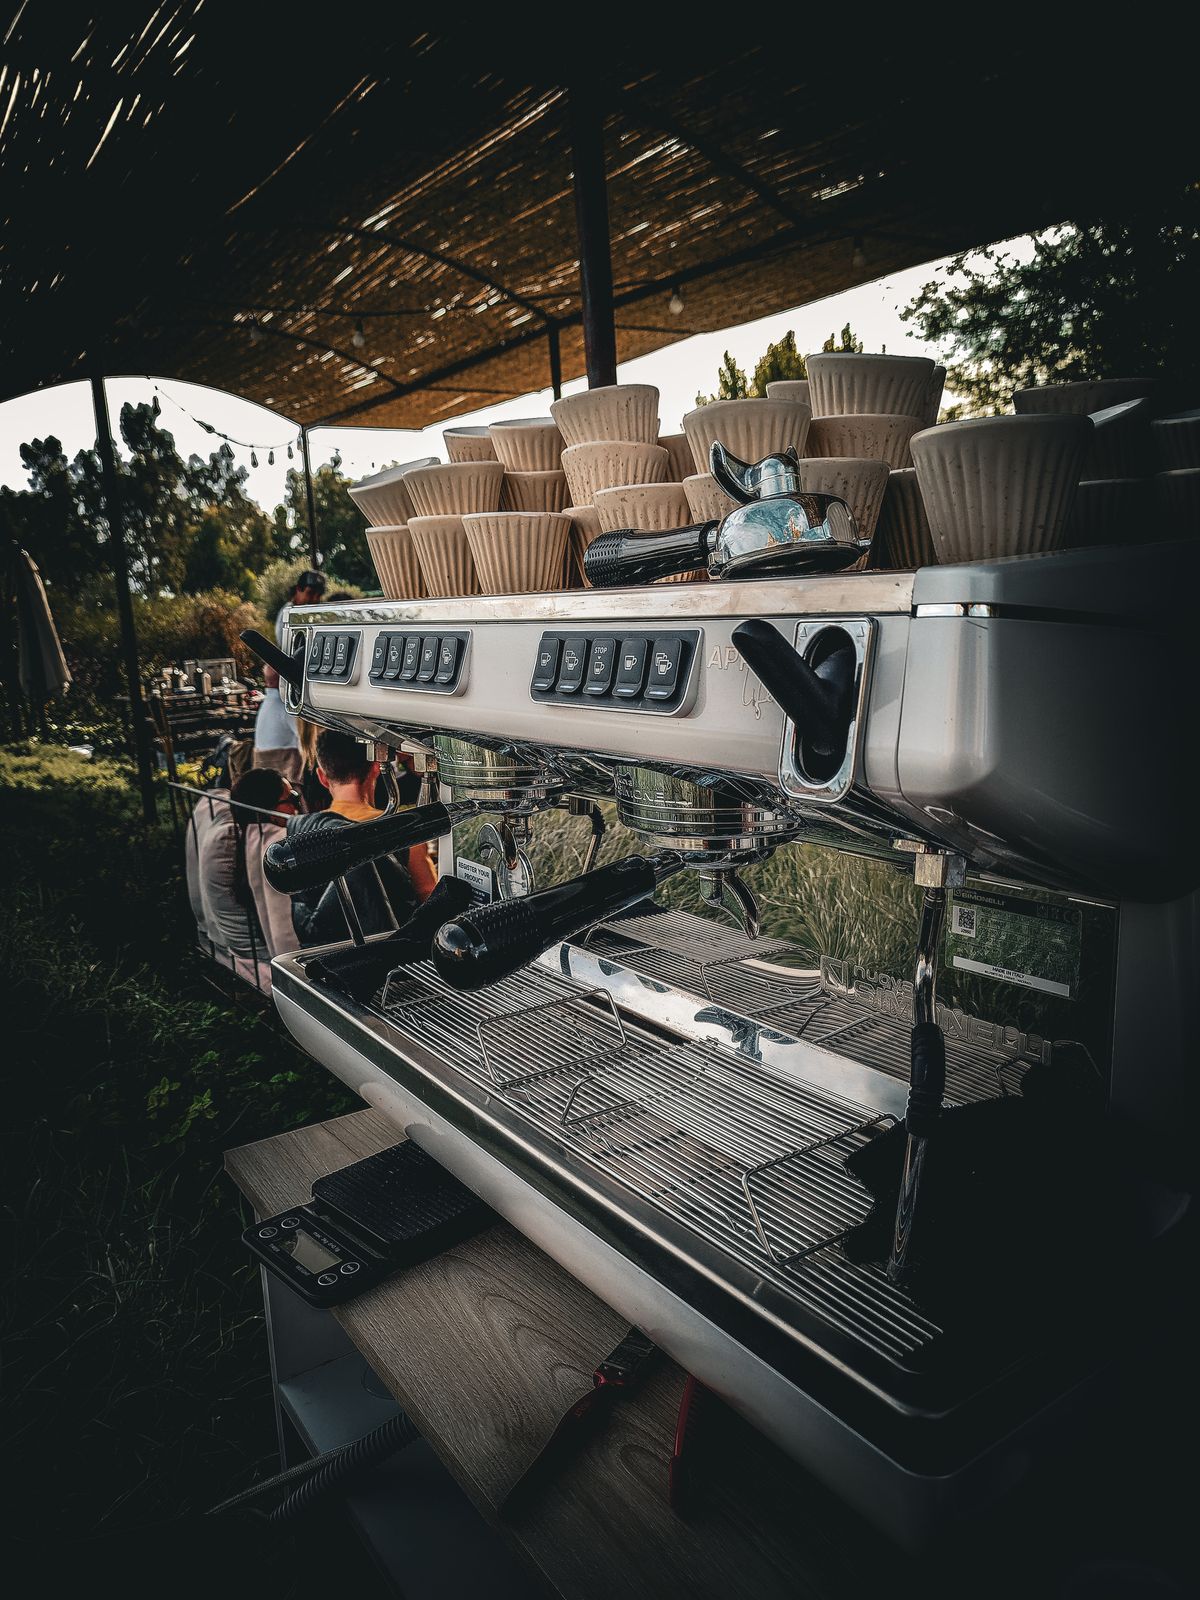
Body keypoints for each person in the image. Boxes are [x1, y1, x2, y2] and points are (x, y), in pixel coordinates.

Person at [286, 729, 437, 947]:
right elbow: (429, 896)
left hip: (324, 959)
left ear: (322, 777)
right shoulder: (404, 831)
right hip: (392, 959)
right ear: (376, 767)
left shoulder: (301, 832)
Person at [231, 768, 304, 959]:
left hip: (279, 954)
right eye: (293, 799)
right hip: (302, 953)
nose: (298, 806)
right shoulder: (282, 844)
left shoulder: (251, 839)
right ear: (270, 811)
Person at [252, 662, 301, 782]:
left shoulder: (268, 703)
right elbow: (305, 739)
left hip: (263, 772)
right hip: (285, 775)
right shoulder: (284, 706)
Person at [274, 567, 326, 648]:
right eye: (311, 593)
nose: (316, 599)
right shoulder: (289, 613)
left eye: (319, 595)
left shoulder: (305, 613)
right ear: (298, 589)